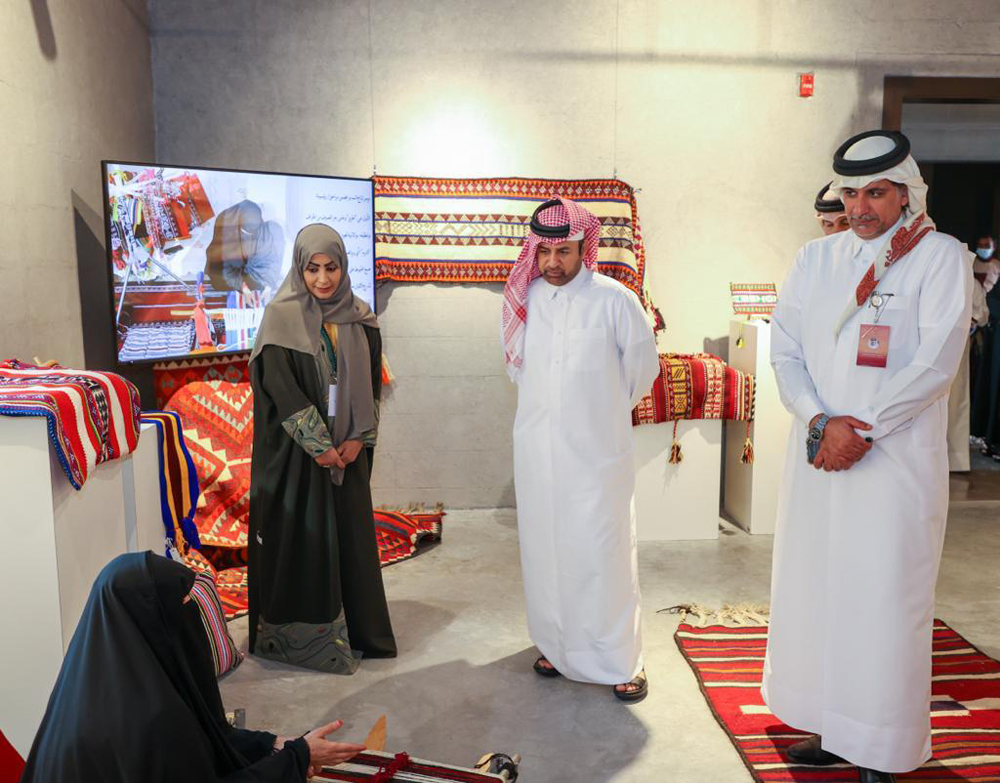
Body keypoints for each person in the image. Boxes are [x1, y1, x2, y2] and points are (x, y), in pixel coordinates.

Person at [763, 130, 972, 783]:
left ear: (906, 193)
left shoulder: (940, 257)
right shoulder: (814, 259)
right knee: (821, 591)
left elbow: (935, 362)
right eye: (851, 192)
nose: (859, 207)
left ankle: (882, 747)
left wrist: (864, 428)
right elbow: (786, 350)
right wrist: (821, 419)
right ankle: (833, 726)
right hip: (821, 457)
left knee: (885, 600)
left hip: (893, 465)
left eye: (875, 192)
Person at [19, 552, 365, 782]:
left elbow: (201, 736)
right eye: (183, 604)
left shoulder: (90, 681)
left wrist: (272, 745)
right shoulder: (150, 718)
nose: (192, 617)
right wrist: (296, 757)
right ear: (152, 620)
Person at [502, 197, 660, 702]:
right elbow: (517, 369)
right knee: (546, 551)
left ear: (583, 248)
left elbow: (642, 371)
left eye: (563, 252)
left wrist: (597, 414)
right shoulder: (527, 298)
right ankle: (556, 645)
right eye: (543, 251)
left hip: (596, 456)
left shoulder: (615, 299)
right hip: (537, 453)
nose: (551, 263)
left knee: (602, 554)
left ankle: (620, 659)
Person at [247, 223, 395, 673]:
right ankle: (303, 642)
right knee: (304, 541)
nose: (323, 279)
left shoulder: (361, 317)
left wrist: (355, 439)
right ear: (300, 268)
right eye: (313, 269)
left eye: (331, 267)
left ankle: (360, 632)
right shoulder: (280, 317)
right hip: (297, 458)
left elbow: (371, 384)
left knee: (349, 538)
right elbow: (280, 387)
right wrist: (319, 446)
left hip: (348, 452)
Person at [205, 199, 285, 293]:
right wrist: (243, 287)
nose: (250, 235)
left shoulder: (267, 230)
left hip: (248, 271)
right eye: (246, 232)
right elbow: (226, 269)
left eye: (254, 232)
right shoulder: (227, 226)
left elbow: (272, 260)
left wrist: (268, 285)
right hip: (224, 269)